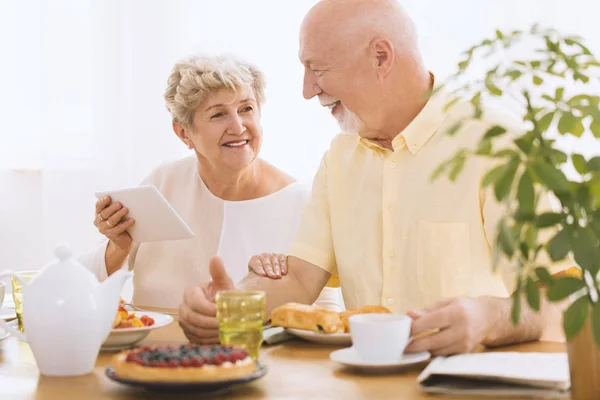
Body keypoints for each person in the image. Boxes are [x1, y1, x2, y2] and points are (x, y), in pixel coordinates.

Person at [178, 0, 569, 353]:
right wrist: (229, 305)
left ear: (381, 57)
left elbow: (561, 299)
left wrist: (488, 318)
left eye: (316, 69)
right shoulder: (339, 158)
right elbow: (298, 280)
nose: (307, 90)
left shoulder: (498, 146)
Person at [78, 54, 343, 310]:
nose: (238, 127)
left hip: (251, 353)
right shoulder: (163, 182)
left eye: (246, 109)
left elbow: (324, 316)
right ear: (184, 133)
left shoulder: (301, 201)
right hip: (153, 351)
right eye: (218, 115)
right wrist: (118, 247)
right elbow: (80, 284)